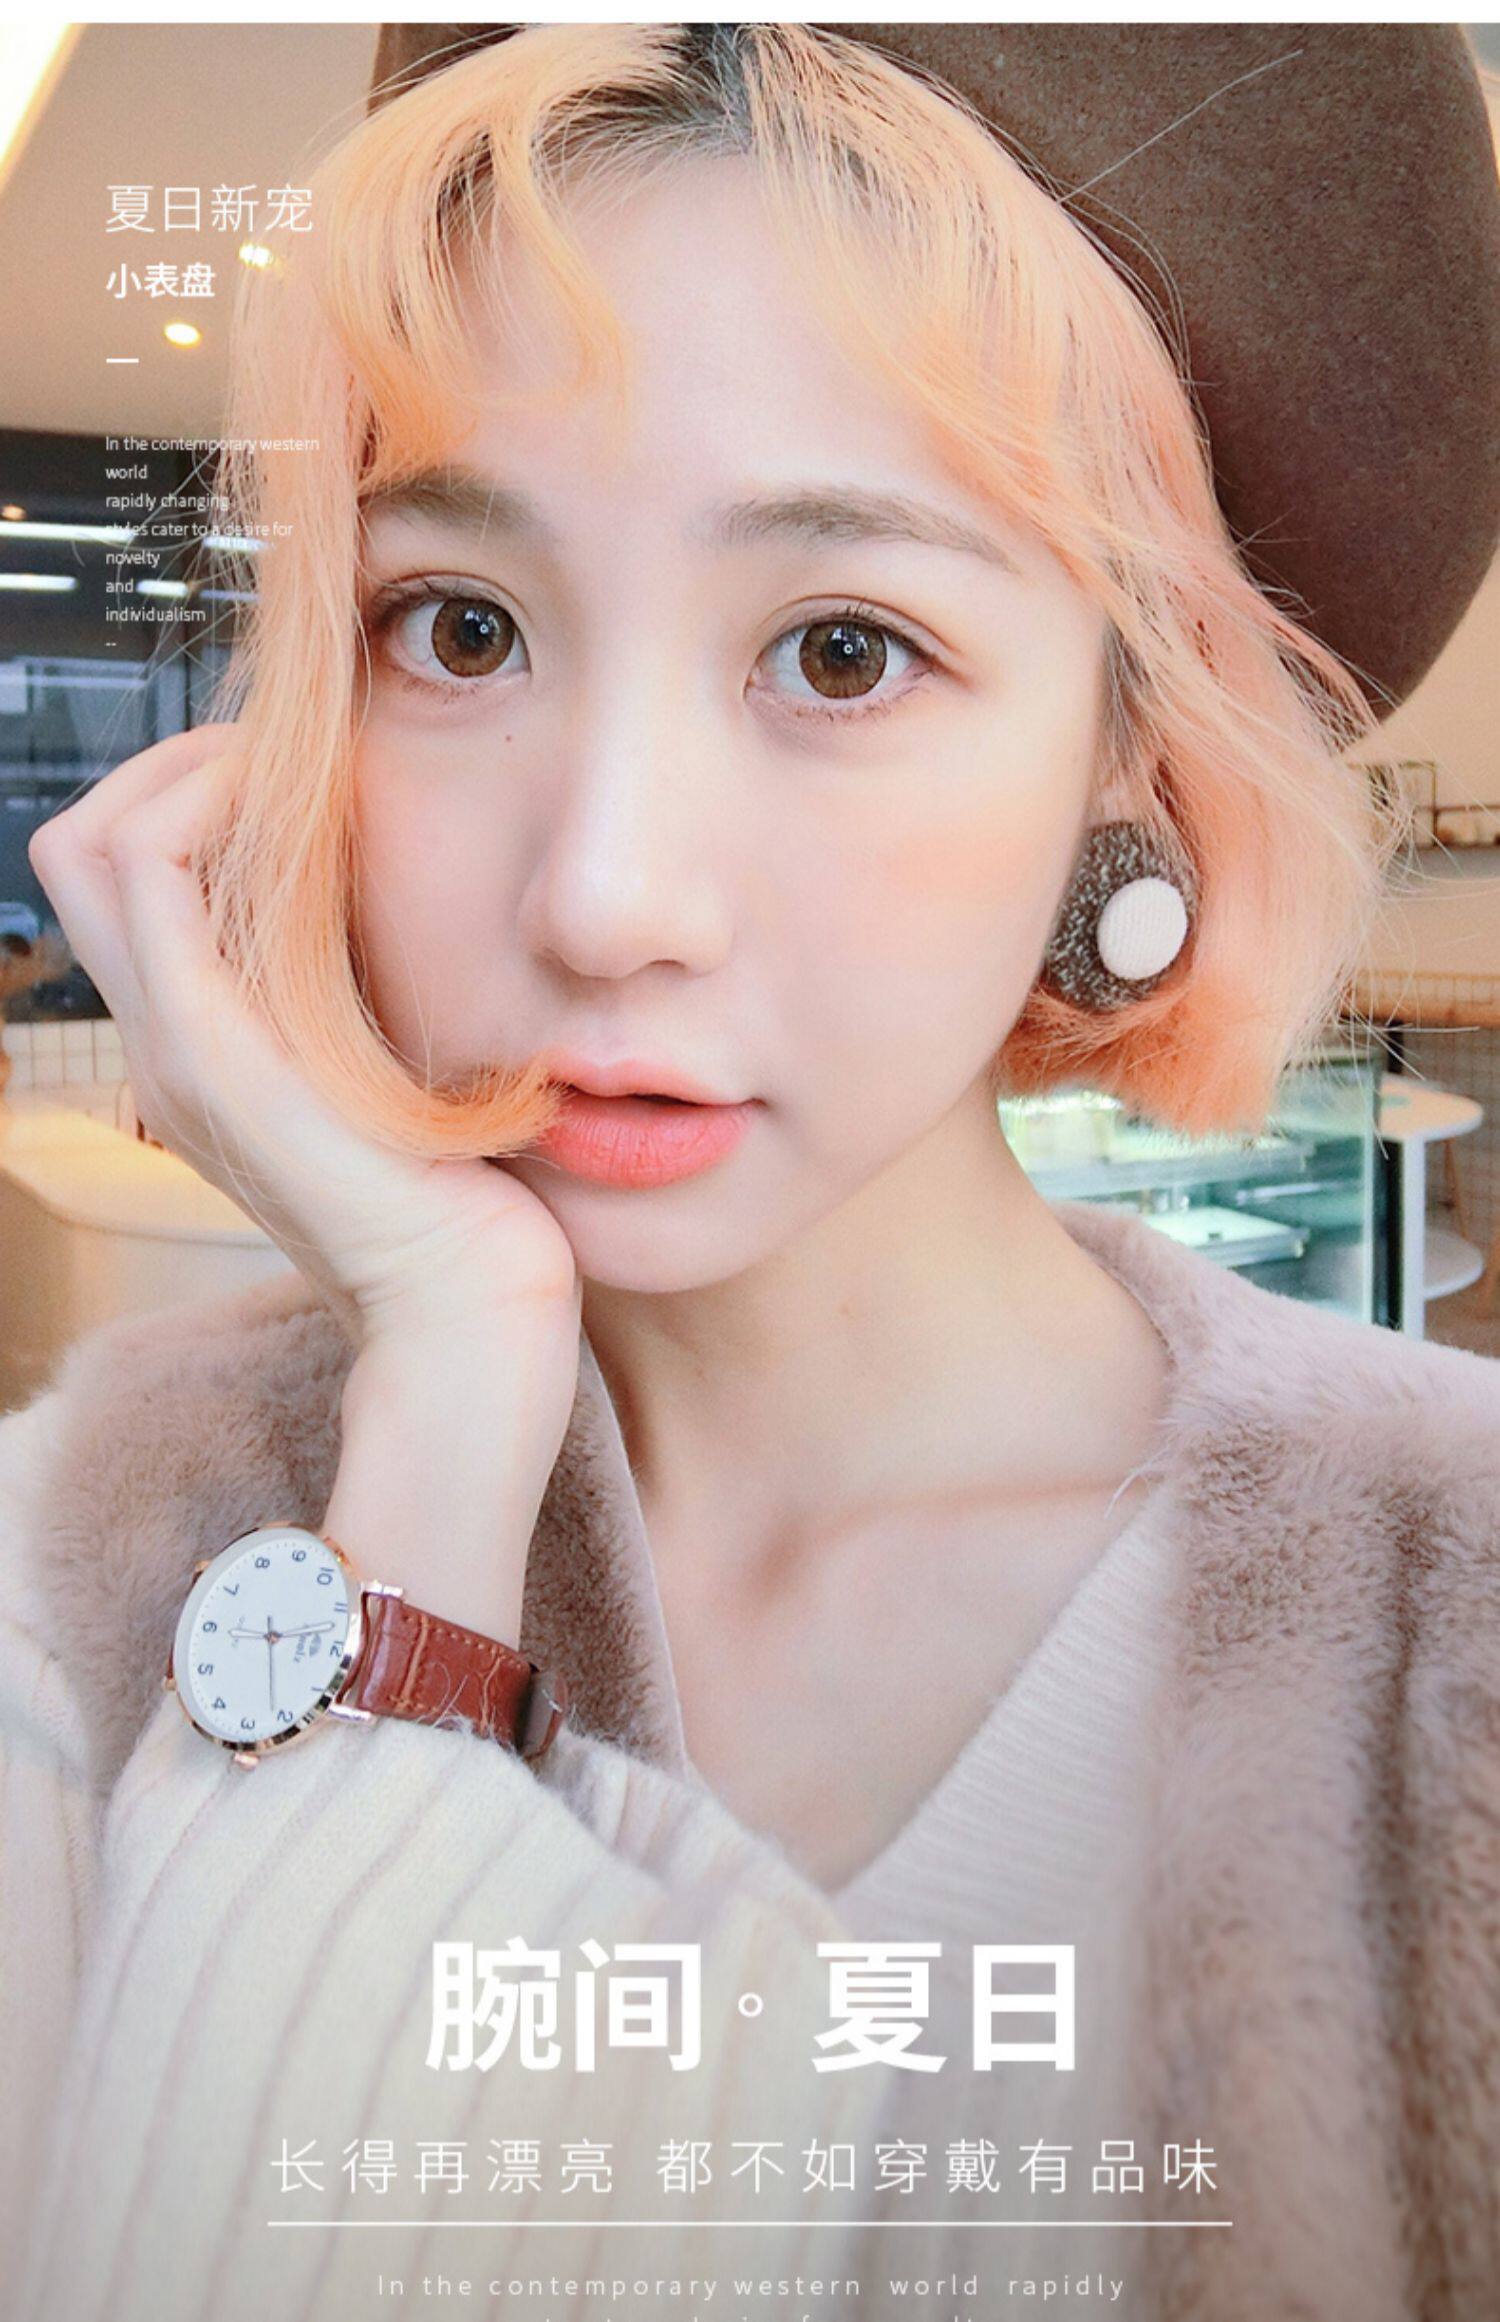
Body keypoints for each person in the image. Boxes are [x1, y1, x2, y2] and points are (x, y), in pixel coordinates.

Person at [2, 24, 1498, 2322]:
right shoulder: (79, 1565)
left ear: (1134, 743)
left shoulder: (1447, 1629)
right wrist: (440, 1421)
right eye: (460, 628)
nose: (606, 895)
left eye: (842, 650)